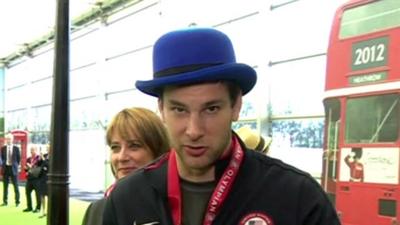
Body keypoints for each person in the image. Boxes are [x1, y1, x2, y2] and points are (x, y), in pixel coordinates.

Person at [102, 27, 340, 225]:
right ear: (161, 109)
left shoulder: (297, 197)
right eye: (179, 110)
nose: (194, 130)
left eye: (211, 109)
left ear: (236, 106)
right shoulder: (127, 198)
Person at [82, 107, 170, 225]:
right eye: (115, 147)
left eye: (134, 146)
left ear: (158, 151)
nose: (121, 157)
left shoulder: (173, 207)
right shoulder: (96, 210)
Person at [1, 133, 21, 207]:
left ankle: (17, 202)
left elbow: (18, 159)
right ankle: (5, 201)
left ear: (12, 140)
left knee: (16, 186)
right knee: (5, 187)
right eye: (7, 139)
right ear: (6, 140)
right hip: (6, 169)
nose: (8, 140)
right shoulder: (3, 148)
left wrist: (15, 165)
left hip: (13, 169)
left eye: (10, 139)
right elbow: (2, 158)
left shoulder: (16, 148)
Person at [23, 145, 42, 213]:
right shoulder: (28, 159)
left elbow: (40, 169)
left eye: (33, 150)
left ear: (36, 150)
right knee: (27, 192)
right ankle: (29, 207)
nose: (31, 151)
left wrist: (31, 167)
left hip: (36, 179)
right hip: (29, 179)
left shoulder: (39, 159)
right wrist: (26, 168)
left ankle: (38, 208)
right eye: (31, 150)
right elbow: (26, 169)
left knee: (38, 194)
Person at [38, 145, 50, 218]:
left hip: (49, 178)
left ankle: (49, 211)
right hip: (42, 178)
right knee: (42, 195)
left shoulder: (54, 157)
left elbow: (49, 166)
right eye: (47, 148)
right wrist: (40, 158)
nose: (48, 150)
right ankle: (43, 211)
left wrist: (43, 159)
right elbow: (40, 165)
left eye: (49, 148)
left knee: (49, 196)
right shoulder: (45, 155)